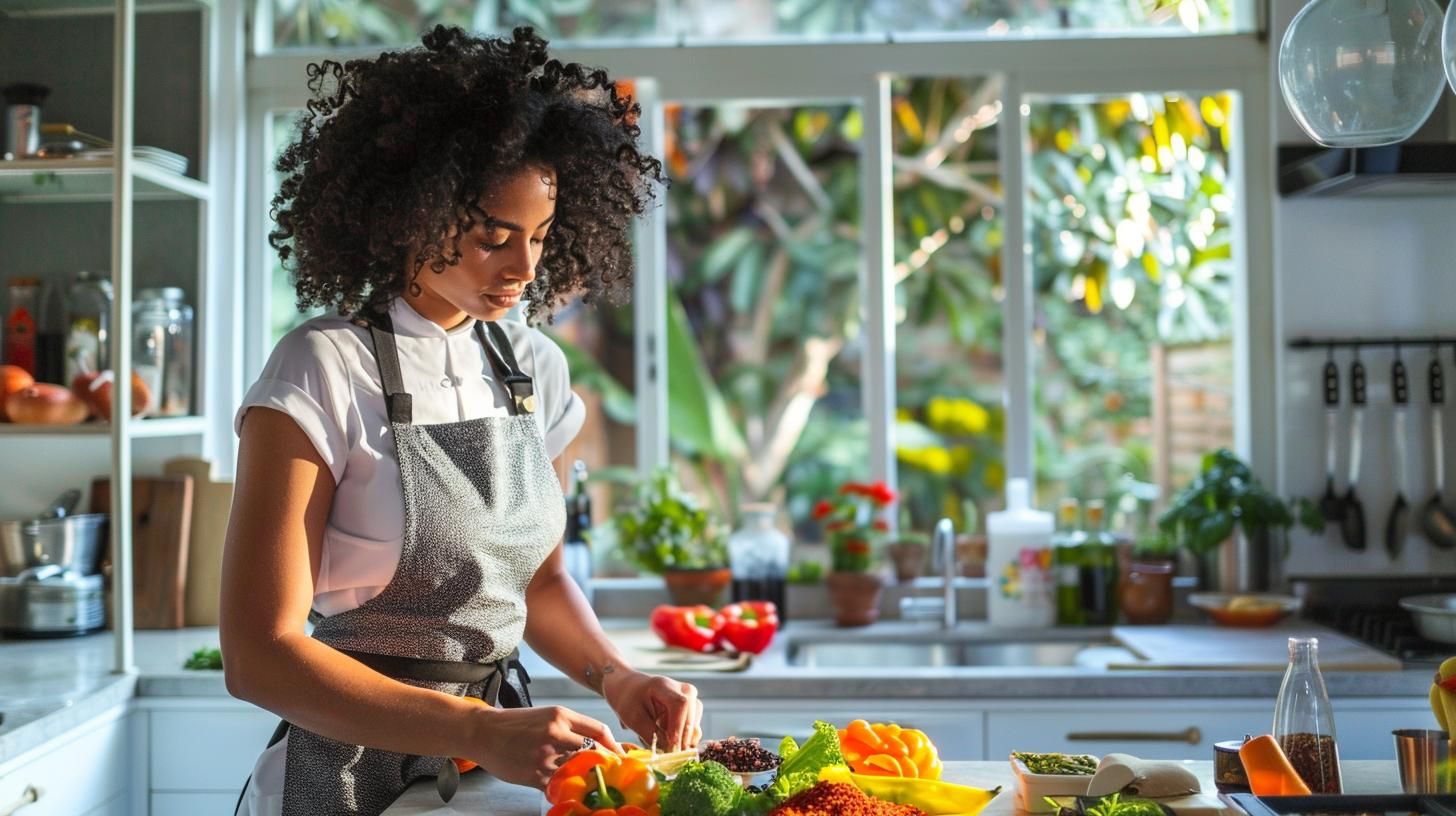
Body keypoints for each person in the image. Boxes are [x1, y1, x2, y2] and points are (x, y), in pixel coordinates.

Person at [221, 26, 696, 816]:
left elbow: (538, 584)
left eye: (540, 237)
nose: (524, 269)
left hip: (492, 777)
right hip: (345, 779)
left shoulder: (532, 368)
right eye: (493, 237)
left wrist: (619, 676)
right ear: (414, 210)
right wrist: (474, 727)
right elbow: (259, 656)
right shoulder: (323, 366)